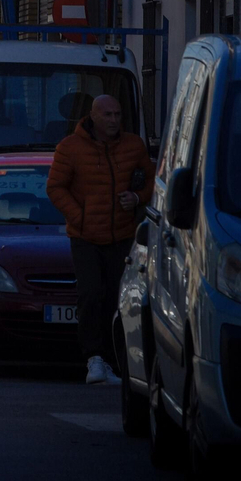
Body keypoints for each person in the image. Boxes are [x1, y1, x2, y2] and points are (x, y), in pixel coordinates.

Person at [47, 94, 154, 385]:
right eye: (107, 115)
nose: (114, 120)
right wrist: (78, 216)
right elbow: (56, 187)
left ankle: (112, 360)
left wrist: (137, 197)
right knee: (91, 293)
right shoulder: (70, 148)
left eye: (118, 114)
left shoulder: (133, 145)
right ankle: (94, 358)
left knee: (116, 299)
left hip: (121, 234)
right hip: (85, 236)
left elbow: (152, 180)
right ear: (93, 116)